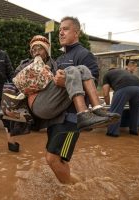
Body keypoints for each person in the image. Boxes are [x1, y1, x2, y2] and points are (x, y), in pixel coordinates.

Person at [32, 16, 105, 184]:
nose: (61, 33)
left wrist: (65, 82)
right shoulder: (61, 58)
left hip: (72, 118)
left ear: (76, 32)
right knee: (56, 158)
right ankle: (75, 184)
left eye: (65, 29)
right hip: (57, 116)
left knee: (53, 158)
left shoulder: (84, 54)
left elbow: (91, 81)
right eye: (60, 30)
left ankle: (72, 190)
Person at [13, 35, 120, 131]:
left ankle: (97, 109)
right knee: (72, 70)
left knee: (83, 69)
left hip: (55, 105)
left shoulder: (55, 64)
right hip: (37, 104)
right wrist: (35, 73)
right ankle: (82, 114)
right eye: (33, 50)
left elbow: (57, 86)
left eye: (40, 49)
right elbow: (16, 83)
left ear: (46, 51)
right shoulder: (25, 64)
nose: (36, 52)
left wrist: (55, 76)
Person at [102, 66, 139, 137]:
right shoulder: (125, 72)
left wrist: (108, 105)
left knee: (115, 111)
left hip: (123, 86)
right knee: (136, 111)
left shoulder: (107, 75)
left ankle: (112, 133)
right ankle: (134, 131)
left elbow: (106, 94)